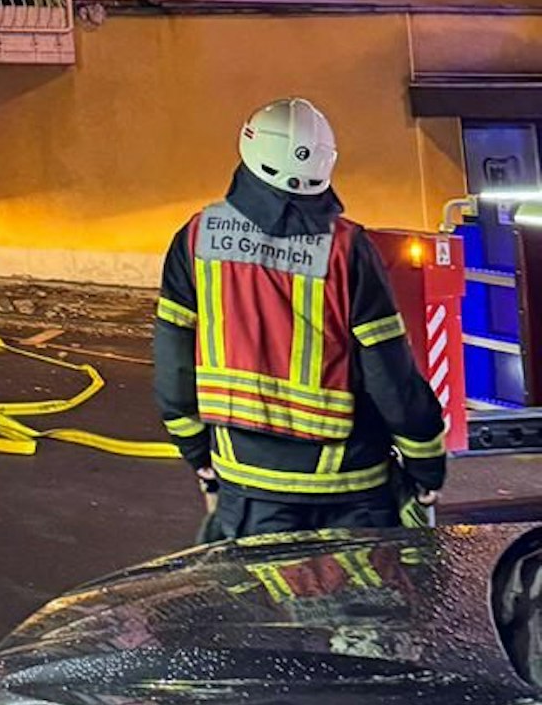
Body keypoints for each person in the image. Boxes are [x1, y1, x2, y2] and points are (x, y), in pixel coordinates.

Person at [153, 96, 448, 538]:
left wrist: (198, 455)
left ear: (249, 149)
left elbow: (174, 369)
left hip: (249, 483)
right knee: (365, 605)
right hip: (352, 483)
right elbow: (390, 375)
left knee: (260, 603)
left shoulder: (196, 239)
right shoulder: (348, 248)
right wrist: (426, 465)